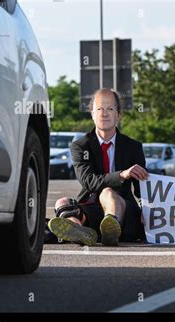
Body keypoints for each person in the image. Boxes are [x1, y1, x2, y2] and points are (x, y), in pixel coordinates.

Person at [47, 88, 150, 246]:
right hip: (92, 208)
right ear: (92, 113)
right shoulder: (80, 146)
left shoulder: (133, 147)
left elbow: (142, 187)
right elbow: (89, 182)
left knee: (108, 192)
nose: (104, 113)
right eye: (99, 109)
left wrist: (147, 210)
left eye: (110, 109)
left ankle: (111, 227)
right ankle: (77, 229)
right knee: (62, 202)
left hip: (123, 211)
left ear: (119, 115)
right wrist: (122, 175)